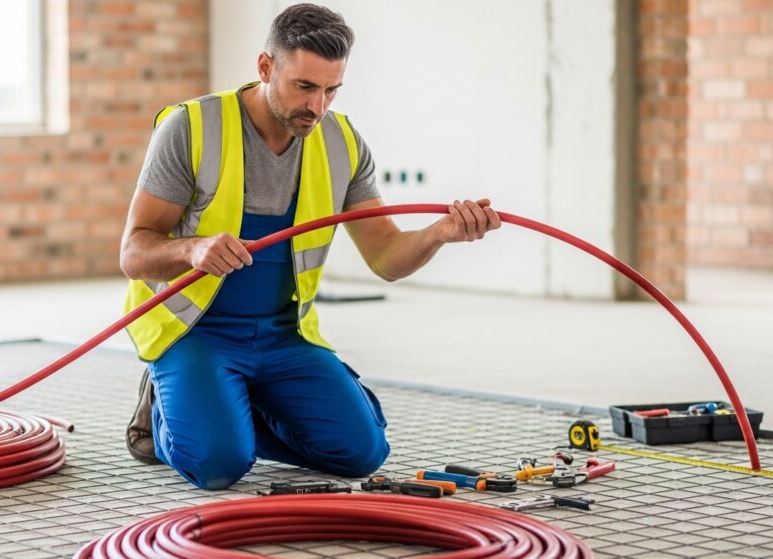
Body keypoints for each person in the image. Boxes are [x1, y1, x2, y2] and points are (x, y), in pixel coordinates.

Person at [119, 3, 500, 490]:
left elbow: (385, 258)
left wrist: (438, 235)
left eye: (331, 90)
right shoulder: (192, 129)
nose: (317, 107)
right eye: (304, 87)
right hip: (196, 332)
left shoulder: (342, 143)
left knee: (361, 453)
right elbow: (133, 253)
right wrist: (192, 250)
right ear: (265, 68)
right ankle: (169, 412)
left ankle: (224, 408)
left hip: (282, 335)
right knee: (216, 467)